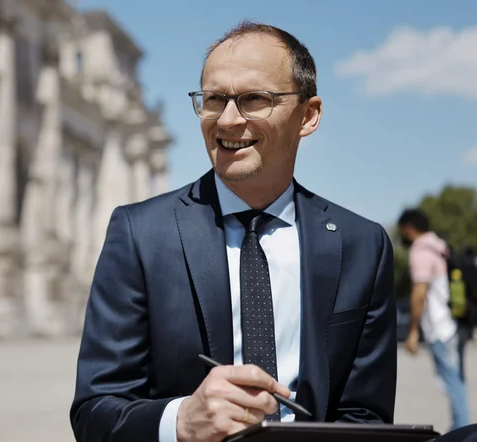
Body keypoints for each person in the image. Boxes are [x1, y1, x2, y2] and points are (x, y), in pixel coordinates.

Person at [70, 21, 397, 442]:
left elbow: (366, 416)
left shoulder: (361, 246)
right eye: (214, 99)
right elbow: (95, 412)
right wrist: (182, 421)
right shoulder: (139, 234)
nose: (227, 119)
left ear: (308, 115)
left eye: (253, 99)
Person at [397, 209, 470, 432]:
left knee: (452, 382)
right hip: (456, 323)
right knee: (457, 380)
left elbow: (419, 292)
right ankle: (461, 427)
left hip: (440, 327)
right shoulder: (440, 246)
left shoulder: (421, 251)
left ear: (408, 228)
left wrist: (412, 331)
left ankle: (463, 431)